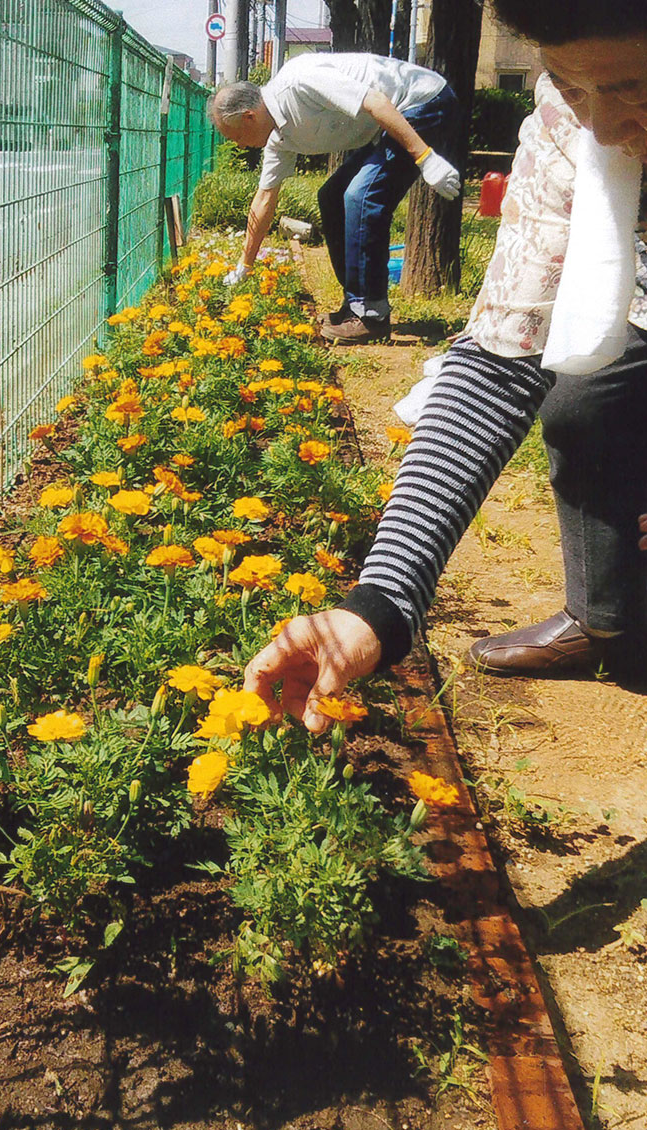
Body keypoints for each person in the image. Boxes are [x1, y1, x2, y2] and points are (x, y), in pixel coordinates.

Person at [243, 0, 647, 732]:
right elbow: (500, 356)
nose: (602, 126)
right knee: (584, 400)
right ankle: (605, 618)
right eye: (572, 85)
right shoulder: (572, 121)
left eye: (635, 90)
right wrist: (380, 603)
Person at [208, 54, 461, 345]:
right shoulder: (279, 137)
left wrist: (425, 157)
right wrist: (245, 265)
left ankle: (370, 316)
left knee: (361, 196)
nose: (240, 145)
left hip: (424, 102)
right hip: (387, 122)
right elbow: (264, 198)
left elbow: (376, 101)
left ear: (249, 117)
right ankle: (355, 305)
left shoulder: (299, 81)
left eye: (236, 137)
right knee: (332, 197)